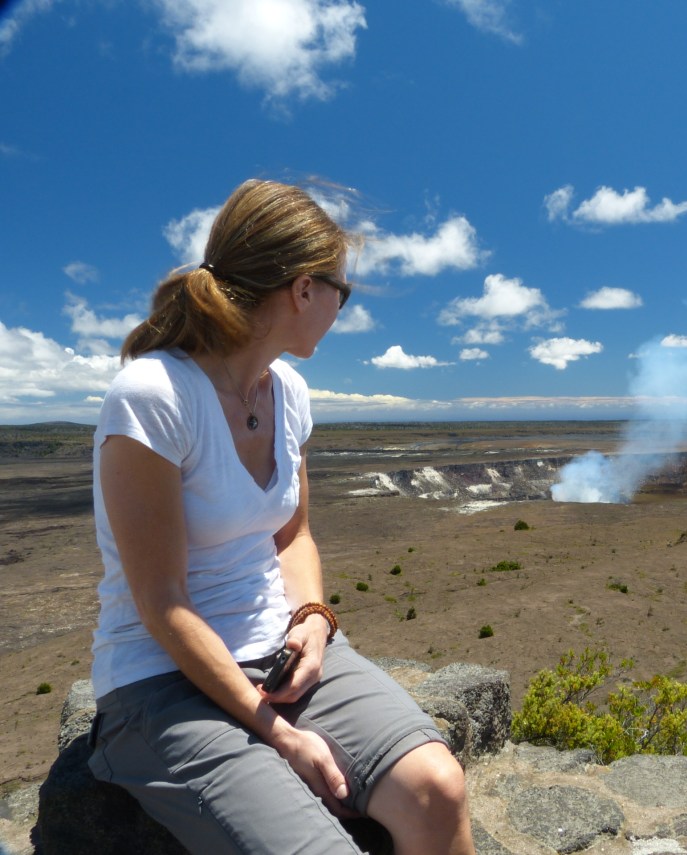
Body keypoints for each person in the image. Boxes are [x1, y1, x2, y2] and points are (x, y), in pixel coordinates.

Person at [87, 179, 476, 855]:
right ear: (303, 290)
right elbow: (162, 601)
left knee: (436, 788)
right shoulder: (154, 395)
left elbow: (291, 532)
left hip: (277, 650)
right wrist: (280, 733)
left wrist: (315, 621)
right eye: (340, 292)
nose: (338, 307)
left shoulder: (287, 392)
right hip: (160, 681)